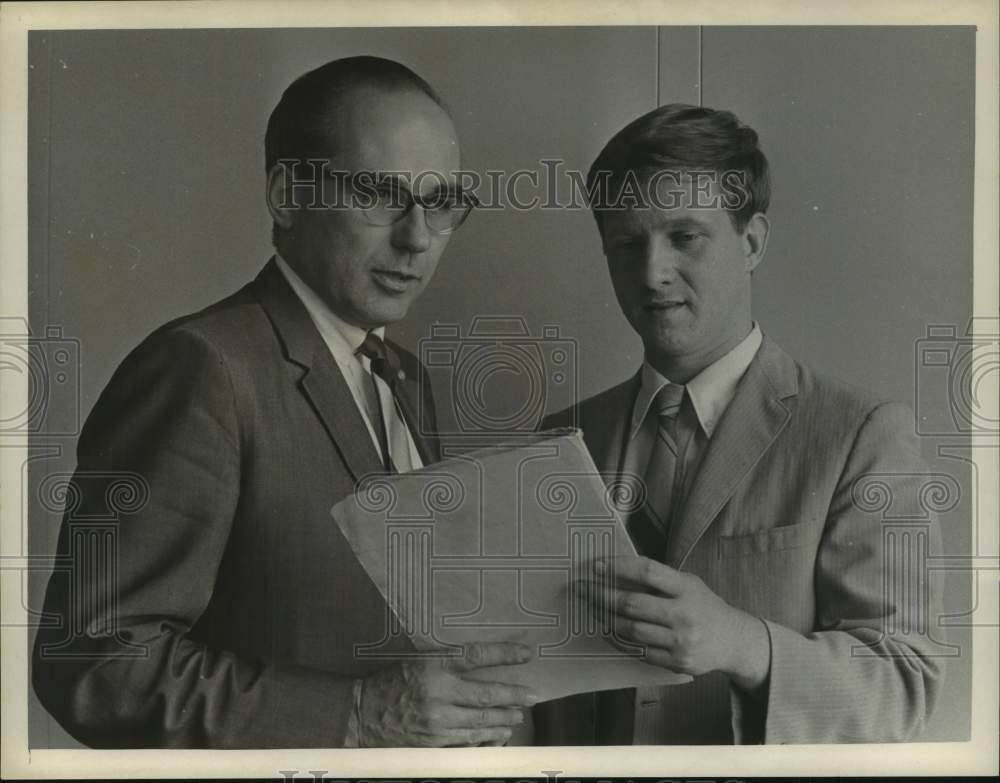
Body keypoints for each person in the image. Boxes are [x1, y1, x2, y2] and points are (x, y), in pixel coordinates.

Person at [32, 56, 537, 748]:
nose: (417, 236)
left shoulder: (406, 379)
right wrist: (356, 715)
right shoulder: (202, 368)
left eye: (441, 201)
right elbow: (94, 663)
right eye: (378, 193)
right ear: (286, 194)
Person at [533, 104, 944, 744]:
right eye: (626, 244)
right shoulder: (556, 441)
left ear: (752, 241)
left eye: (685, 236)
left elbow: (904, 684)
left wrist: (740, 642)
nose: (652, 272)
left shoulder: (860, 434)